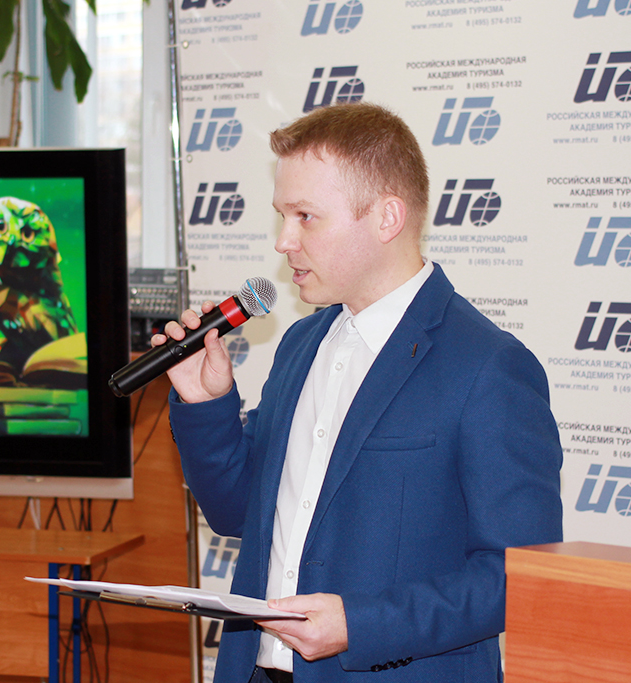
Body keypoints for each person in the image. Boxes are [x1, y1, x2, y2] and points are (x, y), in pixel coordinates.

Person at [160, 102, 563, 683]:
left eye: (306, 216)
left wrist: (362, 624)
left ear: (386, 218)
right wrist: (206, 405)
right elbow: (235, 511)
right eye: (282, 216)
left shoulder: (488, 367)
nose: (284, 241)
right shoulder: (301, 344)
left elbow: (520, 576)